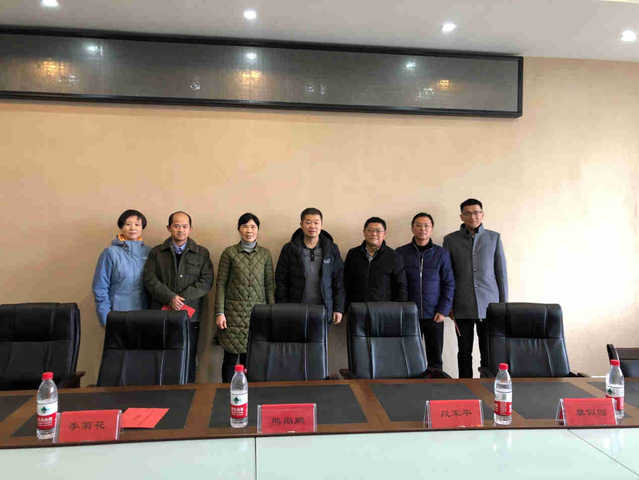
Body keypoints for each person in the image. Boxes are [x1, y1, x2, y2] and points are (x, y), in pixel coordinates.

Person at [144, 211, 214, 383]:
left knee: (188, 356)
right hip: (161, 314)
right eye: (176, 226)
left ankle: (188, 391)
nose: (180, 230)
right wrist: (170, 298)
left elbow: (206, 281)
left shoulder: (202, 253)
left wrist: (180, 299)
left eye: (184, 226)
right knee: (162, 356)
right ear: (169, 228)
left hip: (190, 316)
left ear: (190, 229)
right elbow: (149, 279)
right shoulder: (156, 253)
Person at [443, 198, 508, 378]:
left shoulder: (494, 238)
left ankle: (487, 385)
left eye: (477, 212)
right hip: (461, 304)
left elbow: (501, 273)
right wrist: (448, 305)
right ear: (461, 216)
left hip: (489, 306)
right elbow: (447, 275)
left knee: (488, 352)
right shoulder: (450, 240)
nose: (473, 216)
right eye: (468, 213)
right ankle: (465, 387)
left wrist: (503, 306)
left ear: (482, 214)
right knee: (464, 351)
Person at [214, 213, 275, 382]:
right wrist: (219, 312)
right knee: (230, 358)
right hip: (232, 314)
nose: (249, 230)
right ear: (239, 229)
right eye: (245, 226)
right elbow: (221, 284)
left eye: (253, 227)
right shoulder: (229, 253)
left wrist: (272, 312)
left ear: (258, 229)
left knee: (252, 359)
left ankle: (249, 393)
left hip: (257, 313)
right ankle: (226, 392)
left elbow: (269, 285)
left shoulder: (265, 254)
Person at [397, 213, 455, 371]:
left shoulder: (441, 254)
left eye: (426, 225)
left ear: (431, 229)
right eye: (418, 225)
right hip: (409, 313)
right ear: (412, 228)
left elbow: (449, 283)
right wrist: (401, 308)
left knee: (435, 359)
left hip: (434, 314)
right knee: (408, 357)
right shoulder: (401, 253)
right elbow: (396, 284)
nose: (422, 229)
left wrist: (443, 310)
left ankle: (435, 383)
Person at [275, 207, 345, 325]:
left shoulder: (331, 249)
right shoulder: (289, 249)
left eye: (316, 223)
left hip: (324, 308)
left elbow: (339, 280)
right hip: (295, 308)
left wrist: (338, 308)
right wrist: (282, 306)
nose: (312, 226)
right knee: (296, 336)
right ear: (301, 225)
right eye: (308, 222)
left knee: (321, 337)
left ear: (321, 225)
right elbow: (281, 280)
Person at [92, 209, 151, 327]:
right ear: (121, 227)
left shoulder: (150, 252)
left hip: (145, 315)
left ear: (142, 228)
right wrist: (106, 318)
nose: (132, 228)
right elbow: (100, 287)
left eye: (137, 224)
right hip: (117, 314)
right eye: (128, 224)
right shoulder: (110, 253)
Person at [343, 217, 407, 307]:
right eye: (370, 230)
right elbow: (345, 283)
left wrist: (399, 310)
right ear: (364, 232)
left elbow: (401, 287)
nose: (374, 234)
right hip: (357, 308)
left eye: (378, 231)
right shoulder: (353, 254)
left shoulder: (394, 257)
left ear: (384, 234)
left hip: (384, 310)